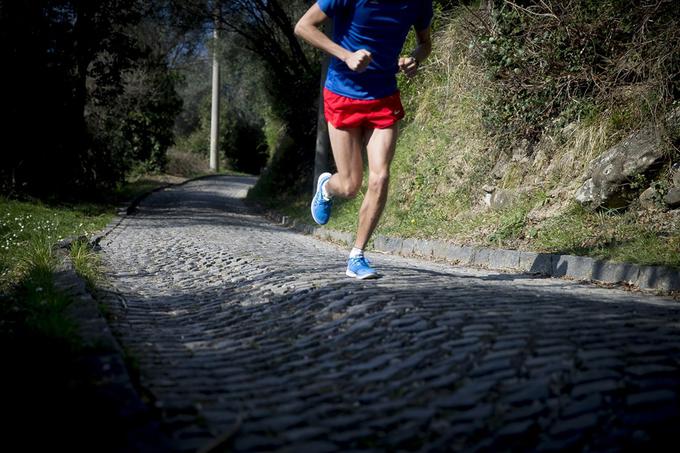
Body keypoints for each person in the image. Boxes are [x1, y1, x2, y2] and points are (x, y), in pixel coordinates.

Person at [295, 0, 433, 280]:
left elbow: (425, 44)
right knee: (349, 186)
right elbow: (303, 26)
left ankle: (356, 256)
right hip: (343, 93)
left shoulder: (419, 3)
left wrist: (414, 59)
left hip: (383, 96)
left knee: (380, 177)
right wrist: (345, 55)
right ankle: (327, 187)